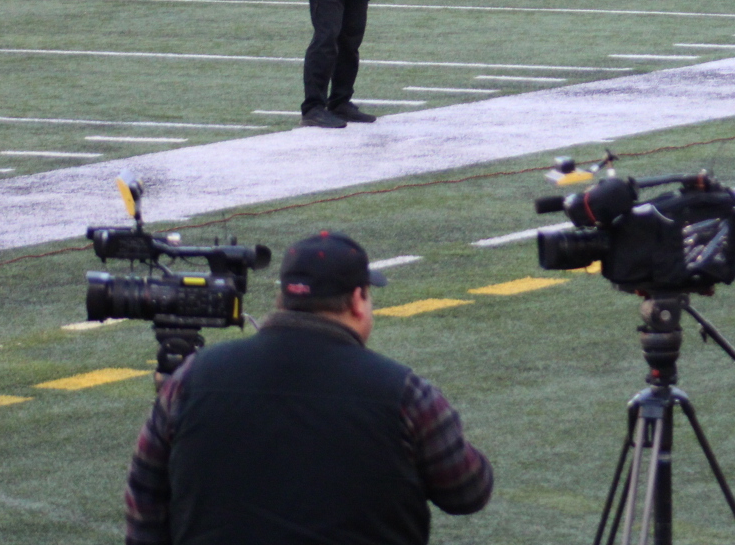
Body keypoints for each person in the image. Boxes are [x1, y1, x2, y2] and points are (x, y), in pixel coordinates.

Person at [124, 230, 493, 543]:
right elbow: (468, 490)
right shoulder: (405, 393)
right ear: (357, 300)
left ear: (282, 297)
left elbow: (145, 494)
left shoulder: (189, 379)